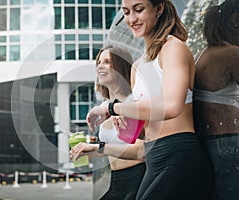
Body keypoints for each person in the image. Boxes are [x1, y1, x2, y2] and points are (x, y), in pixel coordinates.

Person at [83, 0, 213, 199]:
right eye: (126, 12)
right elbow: (143, 133)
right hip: (153, 157)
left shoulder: (173, 48)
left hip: (178, 154)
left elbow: (171, 106)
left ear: (159, 8)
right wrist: (127, 122)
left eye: (139, 9)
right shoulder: (137, 67)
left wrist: (112, 107)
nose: (132, 19)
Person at [72, 45, 146, 200]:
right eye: (99, 62)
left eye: (107, 62)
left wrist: (99, 147)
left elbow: (141, 152)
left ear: (121, 67)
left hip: (137, 180)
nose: (100, 66)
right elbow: (112, 149)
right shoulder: (106, 106)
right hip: (116, 182)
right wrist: (90, 152)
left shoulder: (132, 102)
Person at [193, 1, 239, 199]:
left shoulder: (200, 55)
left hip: (206, 141)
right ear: (234, 22)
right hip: (229, 140)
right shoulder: (231, 53)